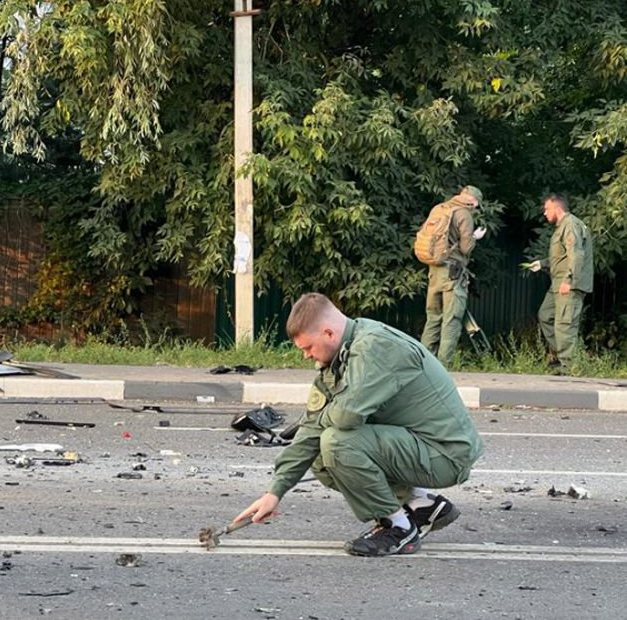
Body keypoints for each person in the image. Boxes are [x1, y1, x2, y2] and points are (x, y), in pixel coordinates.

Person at [234, 293, 483, 557]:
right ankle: (420, 504)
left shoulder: (375, 348)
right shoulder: (340, 356)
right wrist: (275, 492)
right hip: (417, 445)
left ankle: (398, 527)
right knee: (319, 452)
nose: (306, 356)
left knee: (336, 442)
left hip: (445, 453)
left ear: (329, 333)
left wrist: (321, 420)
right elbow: (311, 428)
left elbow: (345, 417)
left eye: (308, 348)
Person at [524, 194, 594, 372]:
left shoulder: (570, 225)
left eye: (547, 209)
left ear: (558, 208)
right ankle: (561, 357)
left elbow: (576, 255)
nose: (545, 213)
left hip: (567, 284)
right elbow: (561, 256)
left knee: (564, 324)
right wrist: (542, 264)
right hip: (557, 283)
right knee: (546, 315)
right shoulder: (562, 226)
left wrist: (569, 281)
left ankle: (568, 368)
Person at [419, 185, 487, 367]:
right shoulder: (463, 214)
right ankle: (444, 367)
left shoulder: (439, 208)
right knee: (452, 320)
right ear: (473, 201)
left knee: (433, 317)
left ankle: (424, 365)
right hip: (453, 273)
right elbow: (466, 248)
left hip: (434, 270)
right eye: (476, 205)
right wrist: (474, 237)